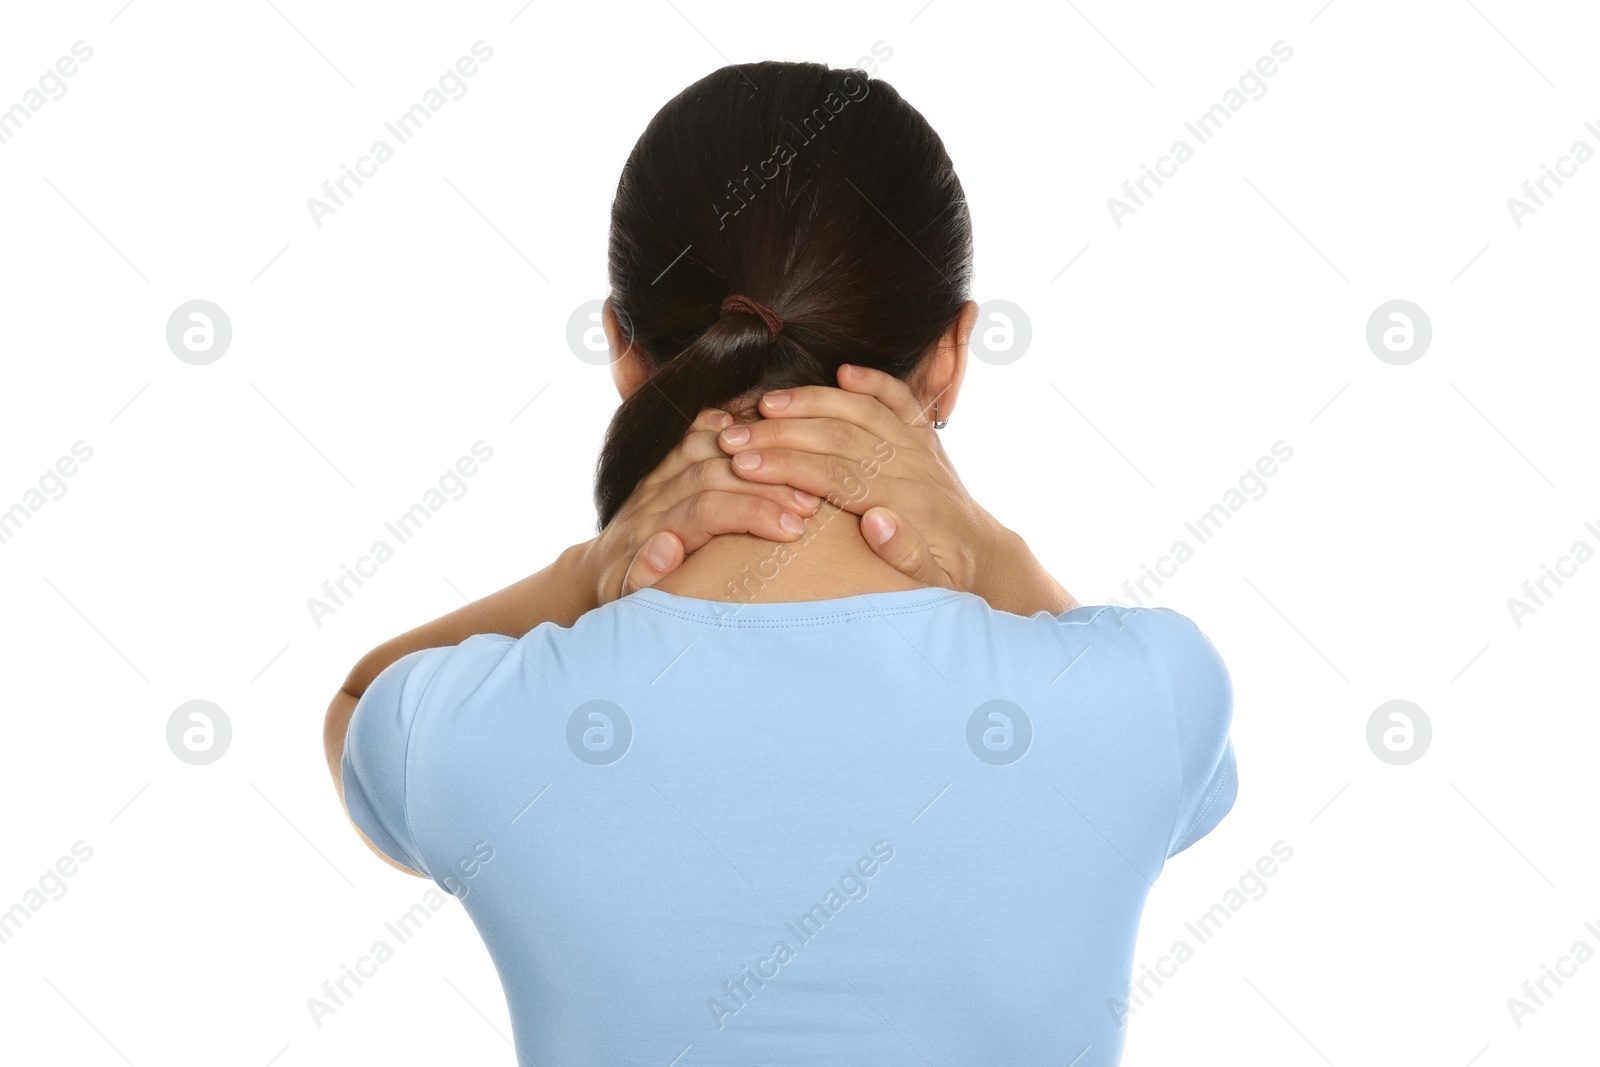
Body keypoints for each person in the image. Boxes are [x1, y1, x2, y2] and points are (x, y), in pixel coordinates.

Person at [323, 60, 1235, 1066]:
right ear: (949, 355)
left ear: (624, 355)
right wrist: (986, 551)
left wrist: (588, 577)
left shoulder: (458, 729)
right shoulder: (1148, 697)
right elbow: (1178, 786)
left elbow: (358, 708)